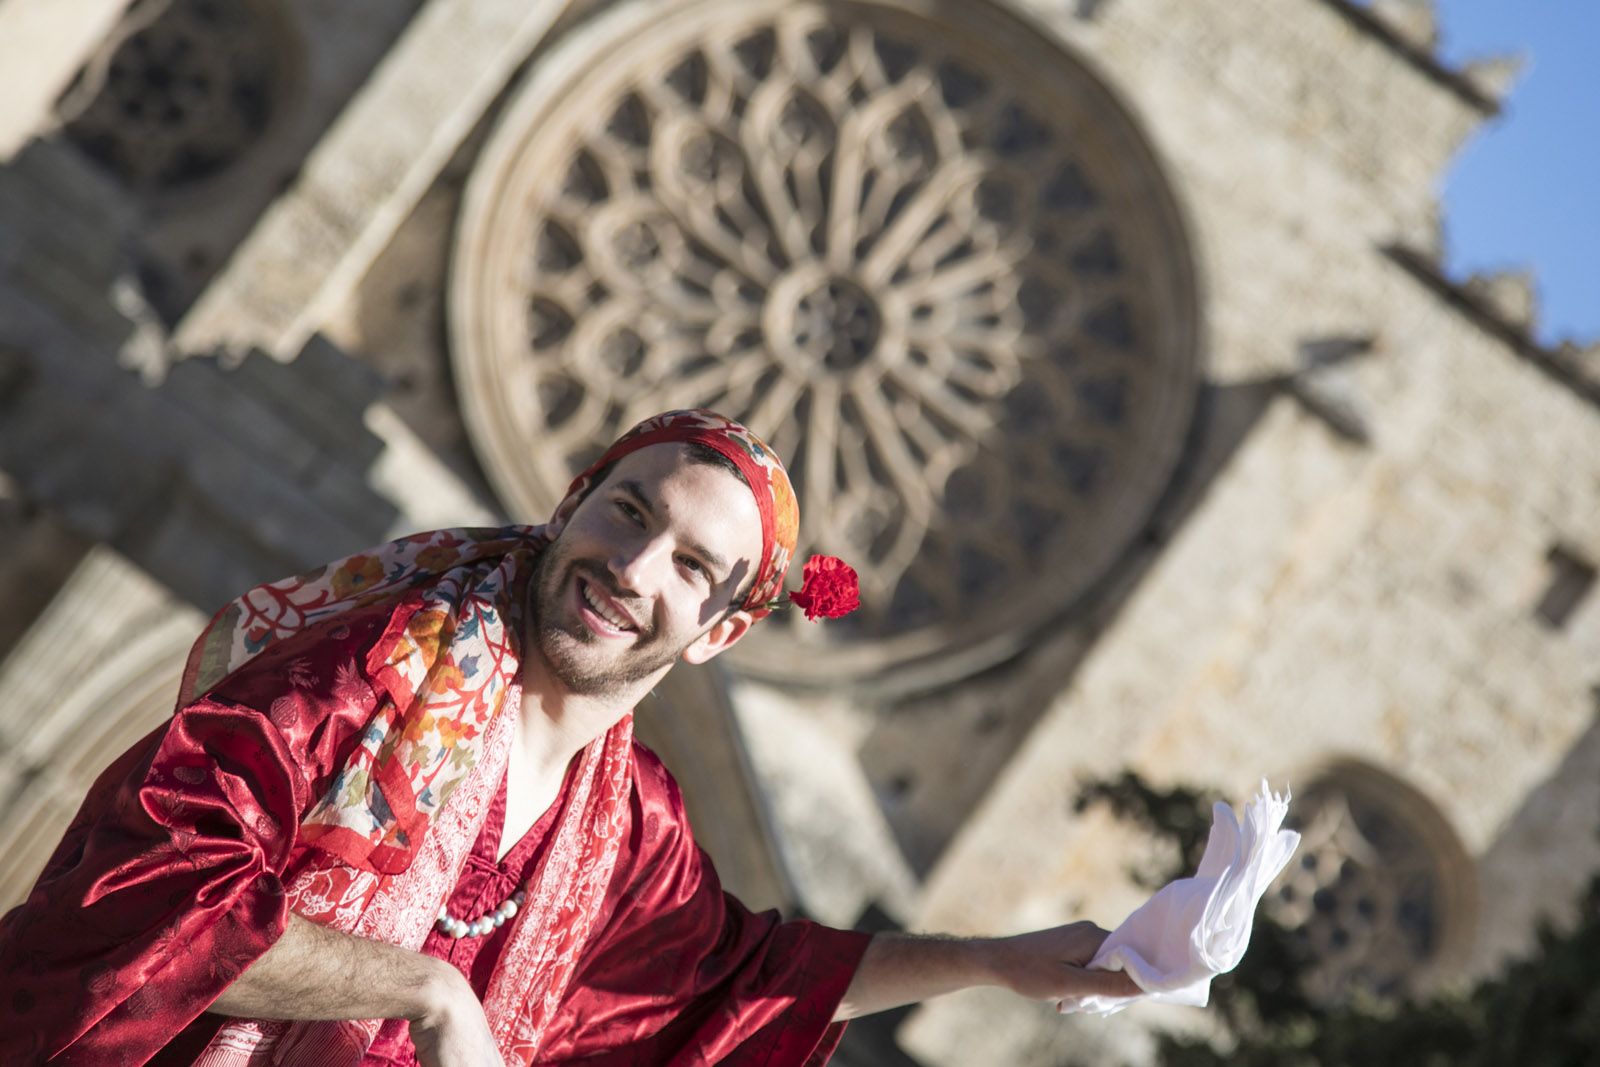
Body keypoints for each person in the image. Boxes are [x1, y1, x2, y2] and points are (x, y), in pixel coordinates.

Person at [0, 409, 1139, 1066]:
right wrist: (428, 989)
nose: (633, 570)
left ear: (717, 632)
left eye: (692, 567)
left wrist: (989, 959)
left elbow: (740, 980)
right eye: (627, 512)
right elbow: (152, 891)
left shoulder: (631, 819)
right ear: (571, 501)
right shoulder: (384, 670)